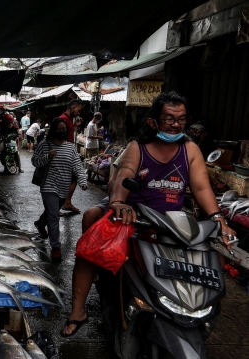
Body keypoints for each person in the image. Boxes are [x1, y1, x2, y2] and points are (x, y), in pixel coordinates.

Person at [61, 92, 237, 337]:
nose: (176, 124)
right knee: (91, 226)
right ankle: (78, 310)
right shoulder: (137, 147)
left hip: (171, 220)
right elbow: (123, 175)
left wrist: (218, 217)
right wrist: (119, 202)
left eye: (181, 119)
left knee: (213, 256)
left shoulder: (190, 149)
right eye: (169, 119)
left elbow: (200, 186)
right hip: (131, 213)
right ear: (153, 122)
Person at [32, 117, 88, 260]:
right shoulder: (45, 145)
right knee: (54, 215)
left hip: (64, 187)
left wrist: (82, 181)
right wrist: (47, 156)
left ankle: (40, 223)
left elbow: (77, 166)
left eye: (65, 129)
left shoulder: (70, 147)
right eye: (60, 129)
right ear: (53, 130)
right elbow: (35, 161)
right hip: (48, 186)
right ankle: (56, 247)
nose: (63, 132)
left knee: (52, 210)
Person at [58, 100, 84, 214]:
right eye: (79, 109)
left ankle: (66, 202)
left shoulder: (67, 120)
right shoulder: (63, 119)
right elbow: (60, 137)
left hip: (67, 152)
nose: (79, 112)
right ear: (72, 107)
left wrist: (74, 126)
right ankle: (58, 205)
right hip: (64, 153)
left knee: (71, 178)